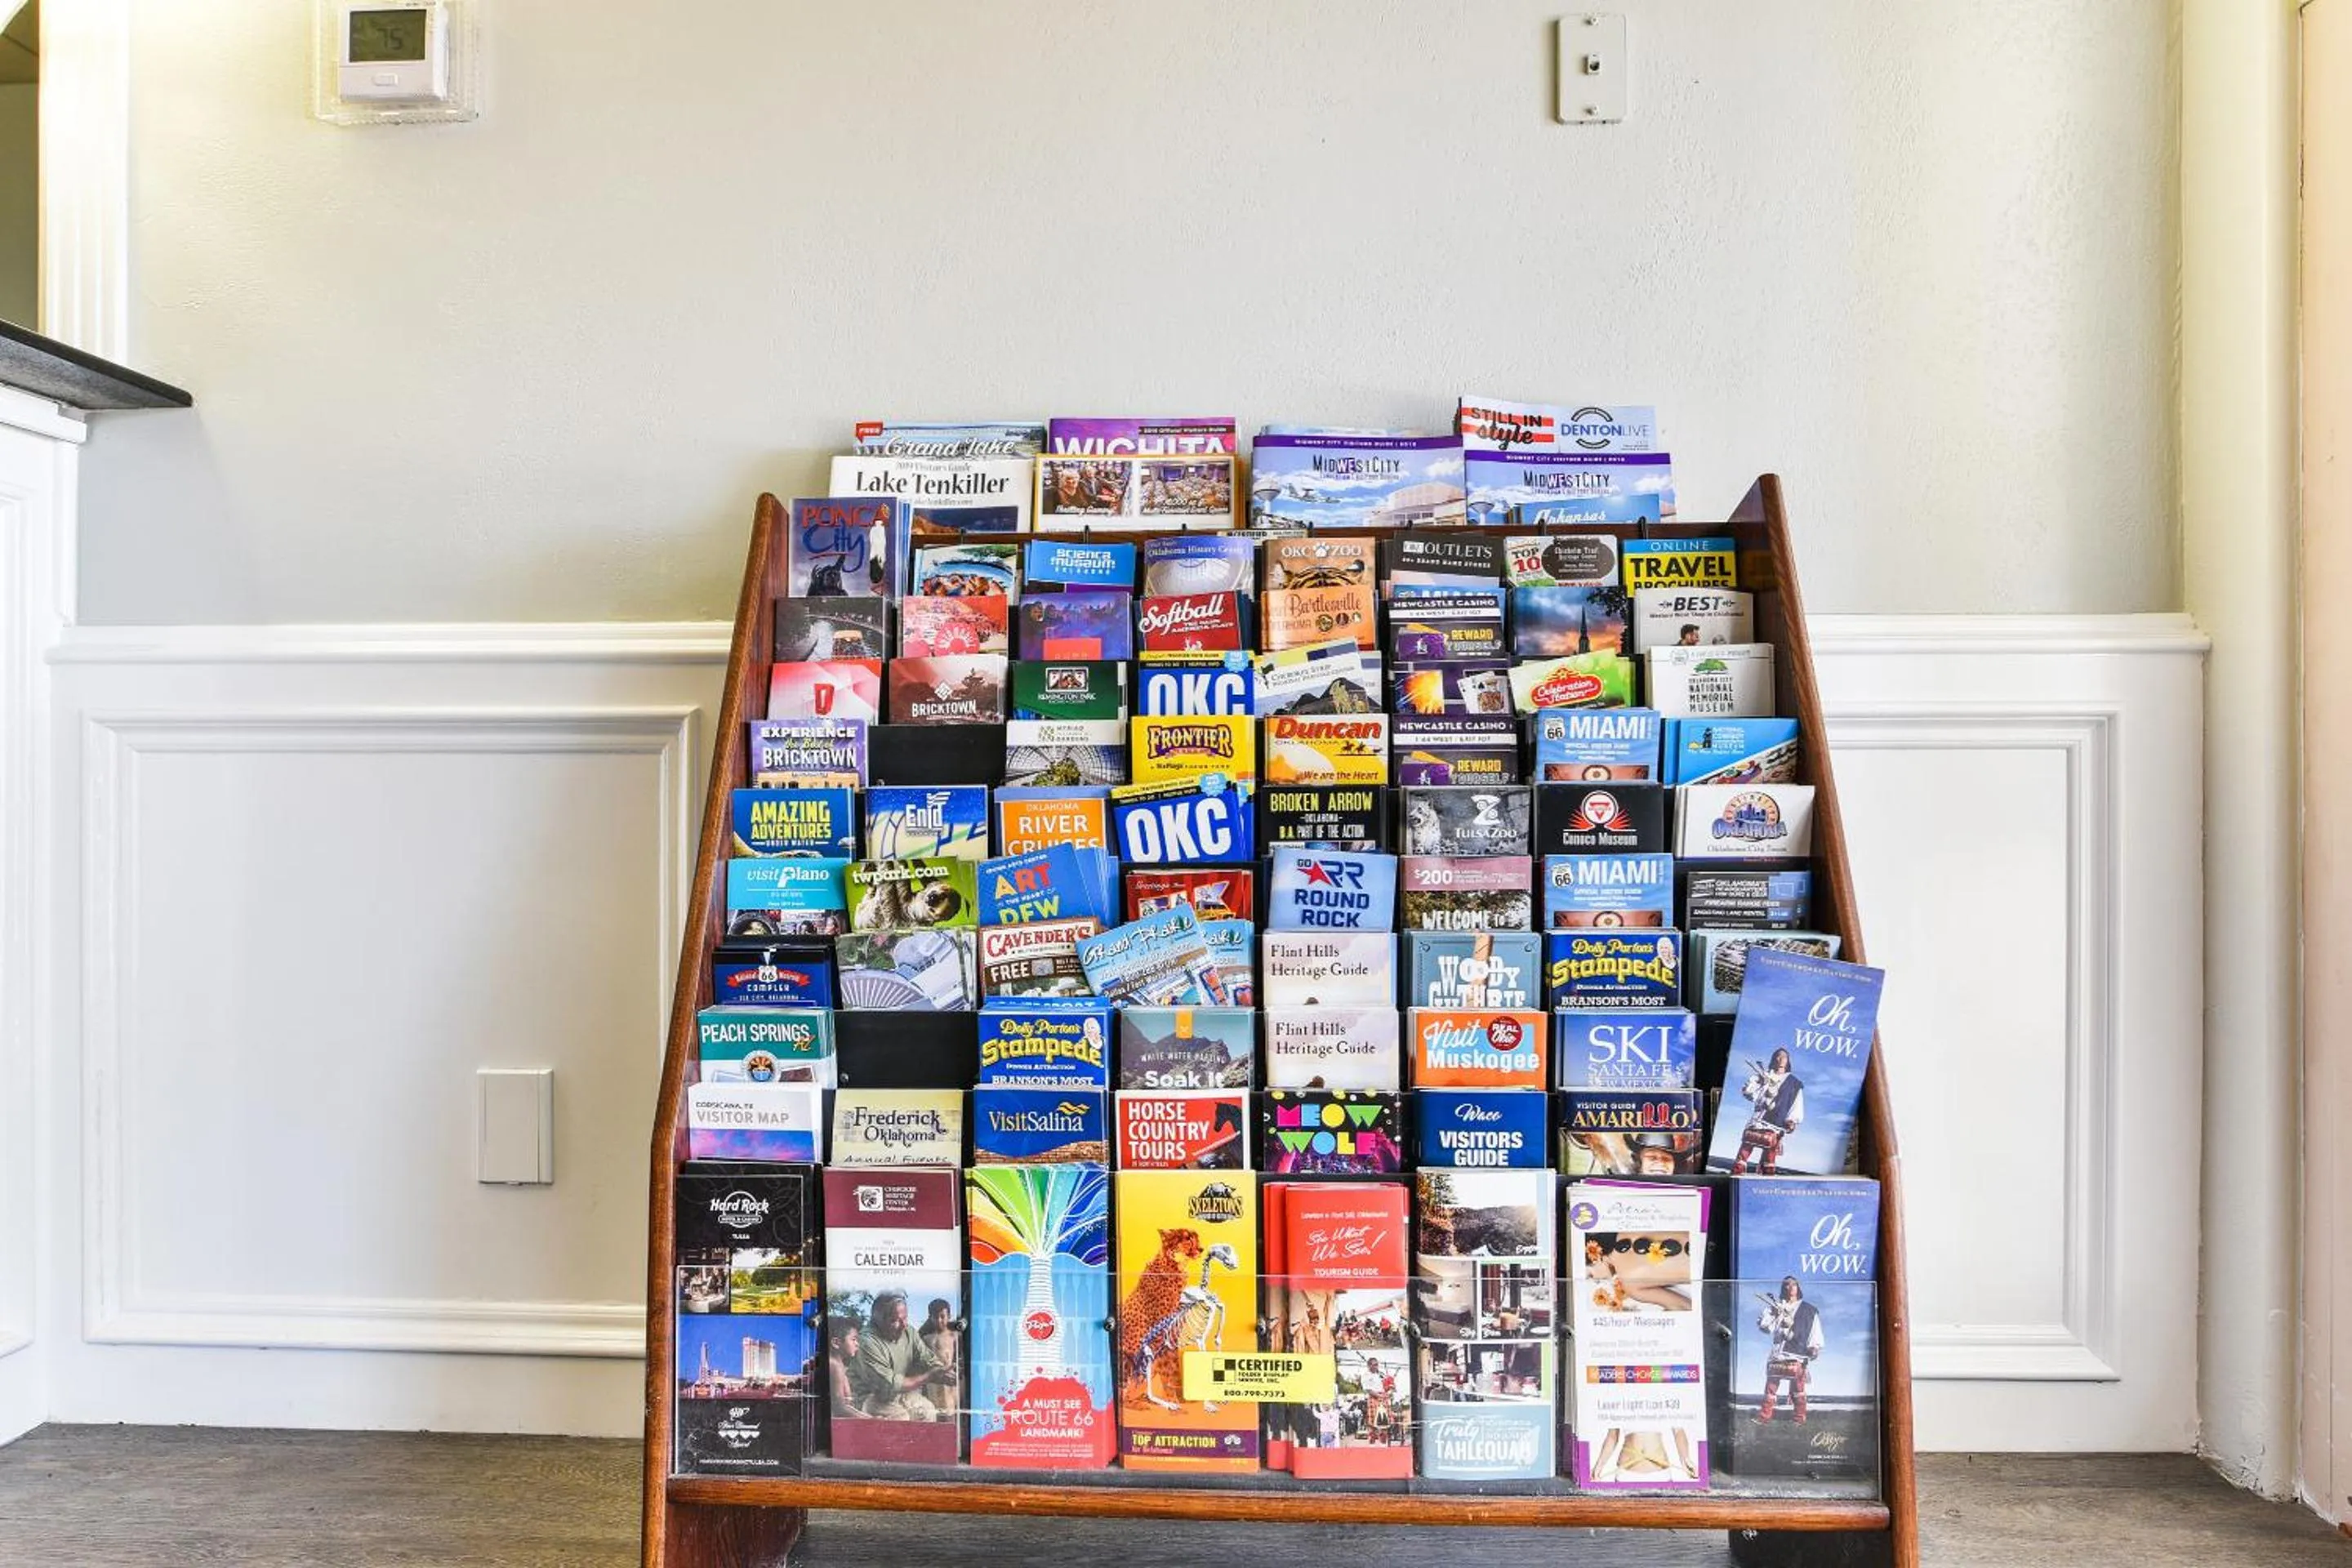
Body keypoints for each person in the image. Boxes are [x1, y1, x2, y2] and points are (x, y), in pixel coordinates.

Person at [849, 1290, 953, 1421]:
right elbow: (888, 1385)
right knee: (901, 1418)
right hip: (871, 1398)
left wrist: (942, 1372)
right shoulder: (867, 1342)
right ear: (878, 1321)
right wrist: (928, 1377)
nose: (904, 1325)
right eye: (895, 1321)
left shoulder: (909, 1332)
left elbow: (927, 1358)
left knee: (928, 1411)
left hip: (901, 1394)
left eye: (905, 1318)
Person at [1757, 1275, 1824, 1425]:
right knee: (1771, 1388)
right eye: (1787, 1285)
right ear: (1783, 1288)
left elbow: (1815, 1330)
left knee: (1798, 1389)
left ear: (1798, 1287)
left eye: (1794, 1284)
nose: (1791, 1287)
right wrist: (1775, 1313)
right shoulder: (1776, 1306)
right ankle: (1764, 1418)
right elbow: (1766, 1328)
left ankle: (1799, 1419)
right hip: (1779, 1354)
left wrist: (1815, 1347)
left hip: (1798, 1354)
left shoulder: (1809, 1310)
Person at [1731, 1047, 1805, 1174]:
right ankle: (1736, 1175)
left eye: (1784, 1057)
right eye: (1778, 1056)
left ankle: (1766, 1182)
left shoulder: (1794, 1083)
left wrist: (1792, 1120)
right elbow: (1749, 1094)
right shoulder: (1764, 1076)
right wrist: (1761, 1082)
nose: (1781, 1059)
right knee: (1745, 1149)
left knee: (1769, 1155)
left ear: (1788, 1061)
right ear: (1773, 1059)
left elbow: (1797, 1103)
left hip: (1776, 1123)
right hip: (1758, 1119)